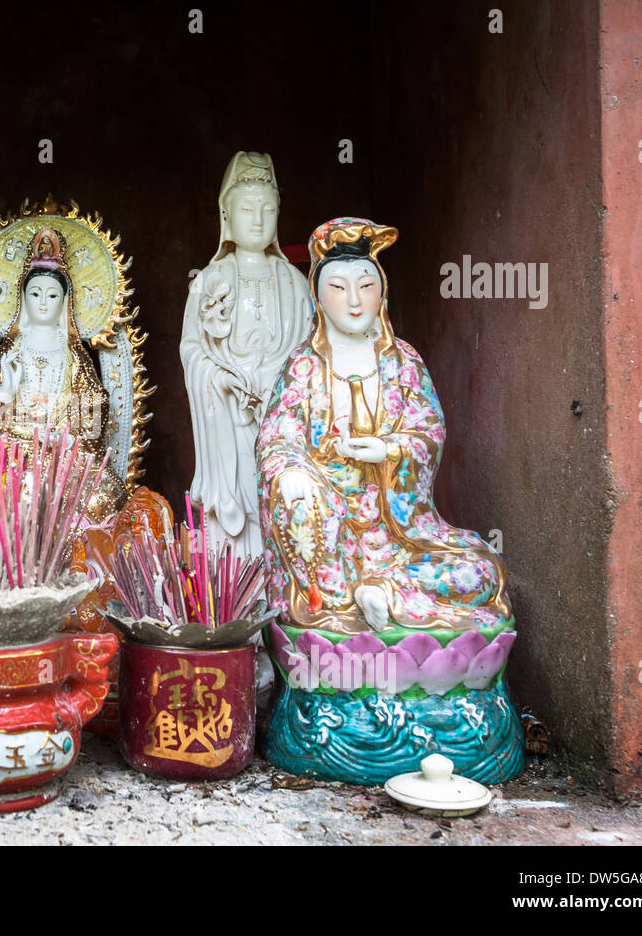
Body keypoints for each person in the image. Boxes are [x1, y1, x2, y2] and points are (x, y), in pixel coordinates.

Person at [256, 217, 510, 635]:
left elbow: (429, 429)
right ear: (318, 297)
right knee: (302, 508)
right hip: (333, 536)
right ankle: (341, 609)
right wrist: (289, 470)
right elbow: (276, 434)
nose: (354, 300)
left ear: (382, 292)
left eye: (366, 286)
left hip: (401, 537)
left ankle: (385, 593)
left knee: (480, 569)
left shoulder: (402, 361)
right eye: (338, 287)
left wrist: (389, 450)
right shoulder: (304, 365)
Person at [181, 152, 313, 556]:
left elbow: (311, 350)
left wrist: (281, 382)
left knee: (281, 494)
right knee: (238, 500)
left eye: (268, 209)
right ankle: (238, 583)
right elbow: (191, 350)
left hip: (278, 414)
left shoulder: (293, 280)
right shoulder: (209, 279)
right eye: (247, 208)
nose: (258, 219)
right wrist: (218, 377)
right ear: (226, 213)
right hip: (229, 413)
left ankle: (283, 584)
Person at [0, 226, 124, 519]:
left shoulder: (73, 356)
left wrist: (67, 436)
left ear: (64, 301)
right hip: (11, 452)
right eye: (35, 293)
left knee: (101, 501)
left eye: (52, 295)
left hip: (62, 457)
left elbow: (95, 404)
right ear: (22, 297)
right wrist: (4, 393)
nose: (42, 302)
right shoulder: (11, 351)